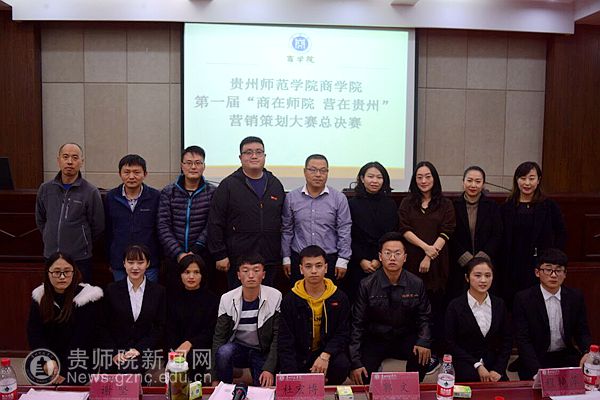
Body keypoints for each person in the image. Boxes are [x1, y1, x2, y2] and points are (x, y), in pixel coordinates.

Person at [349, 232, 431, 384]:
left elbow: (424, 317)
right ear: (380, 257)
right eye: (388, 253)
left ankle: (410, 389)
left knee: (422, 355)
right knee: (363, 374)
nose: (392, 258)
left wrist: (423, 341)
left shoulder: (416, 283)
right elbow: (357, 323)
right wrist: (355, 361)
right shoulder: (366, 284)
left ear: (405, 257)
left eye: (397, 253)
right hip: (376, 338)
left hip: (404, 336)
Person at [397, 161, 455, 372]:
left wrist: (430, 256)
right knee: (414, 308)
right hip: (412, 260)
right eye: (419, 177)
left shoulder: (445, 203)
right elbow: (404, 229)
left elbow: (447, 230)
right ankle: (419, 352)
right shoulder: (407, 202)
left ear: (434, 178)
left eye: (428, 176)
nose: (423, 181)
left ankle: (435, 352)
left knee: (435, 309)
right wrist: (425, 249)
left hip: (438, 263)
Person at [208, 136, 285, 289]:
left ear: (264, 156)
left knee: (268, 300)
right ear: (240, 157)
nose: (254, 156)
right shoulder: (228, 185)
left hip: (269, 259)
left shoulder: (275, 184)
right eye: (248, 152)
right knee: (239, 300)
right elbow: (215, 221)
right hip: (239, 260)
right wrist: (220, 254)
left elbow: (283, 221)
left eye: (258, 152)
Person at [513, 248, 592, 380]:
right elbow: (523, 339)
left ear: (565, 273)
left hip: (565, 355)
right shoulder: (523, 299)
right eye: (548, 269)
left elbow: (582, 331)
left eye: (558, 270)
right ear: (537, 272)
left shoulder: (575, 297)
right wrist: (536, 371)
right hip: (535, 357)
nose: (553, 275)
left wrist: (587, 352)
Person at [278, 245, 351, 385]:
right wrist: (291, 376)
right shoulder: (290, 300)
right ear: (301, 269)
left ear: (326, 268)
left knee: (341, 365)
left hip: (326, 353)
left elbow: (343, 333)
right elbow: (285, 340)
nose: (313, 271)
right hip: (300, 354)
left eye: (318, 266)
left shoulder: (339, 297)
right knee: (289, 371)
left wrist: (325, 356)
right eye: (308, 266)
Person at [27, 252, 103, 385]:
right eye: (56, 272)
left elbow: (83, 339)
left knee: (69, 383)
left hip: (78, 357)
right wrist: (47, 359)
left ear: (74, 272)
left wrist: (63, 370)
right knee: (37, 378)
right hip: (49, 356)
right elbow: (34, 334)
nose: (62, 277)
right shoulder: (40, 296)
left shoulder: (87, 298)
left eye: (67, 272)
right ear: (48, 273)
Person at [35, 143, 104, 283]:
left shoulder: (90, 191)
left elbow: (98, 226)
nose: (70, 162)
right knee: (53, 294)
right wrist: (50, 235)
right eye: (65, 157)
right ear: (58, 160)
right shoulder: (45, 189)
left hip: (79, 258)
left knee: (81, 294)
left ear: (81, 162)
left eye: (75, 157)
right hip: (51, 256)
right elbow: (41, 220)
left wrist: (82, 242)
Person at [500, 161, 566, 305]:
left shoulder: (549, 206)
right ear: (516, 180)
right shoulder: (507, 207)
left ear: (539, 180)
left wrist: (553, 260)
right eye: (523, 178)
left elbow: (561, 234)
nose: (527, 183)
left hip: (540, 263)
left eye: (531, 178)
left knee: (536, 303)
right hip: (512, 264)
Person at [211, 255, 281, 387]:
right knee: (224, 352)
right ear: (238, 275)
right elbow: (219, 338)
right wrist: (215, 377)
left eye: (256, 270)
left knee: (262, 390)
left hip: (262, 351)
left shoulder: (275, 296)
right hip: (238, 350)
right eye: (245, 270)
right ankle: (225, 388)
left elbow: (277, 337)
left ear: (263, 274)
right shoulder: (227, 299)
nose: (251, 275)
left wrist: (269, 369)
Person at [281, 154, 352, 284]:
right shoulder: (291, 198)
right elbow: (287, 230)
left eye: (323, 170)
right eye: (313, 170)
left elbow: (344, 230)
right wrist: (286, 257)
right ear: (304, 172)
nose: (318, 174)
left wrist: (343, 259)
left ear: (327, 173)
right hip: (300, 259)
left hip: (329, 259)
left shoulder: (339, 198)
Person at [99, 244, 166, 375]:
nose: (135, 267)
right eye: (130, 262)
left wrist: (139, 349)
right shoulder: (111, 290)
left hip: (144, 351)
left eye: (140, 262)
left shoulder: (158, 291)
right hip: (116, 350)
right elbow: (102, 325)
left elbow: (159, 326)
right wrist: (114, 353)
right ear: (124, 263)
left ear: (148, 264)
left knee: (131, 370)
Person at [445, 257, 511, 383]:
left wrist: (499, 369)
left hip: (494, 366)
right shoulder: (455, 306)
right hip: (465, 363)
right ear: (467, 278)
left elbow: (507, 340)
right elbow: (450, 343)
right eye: (477, 275)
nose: (483, 280)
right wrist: (477, 365)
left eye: (488, 275)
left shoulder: (499, 304)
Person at [158, 145, 215, 291]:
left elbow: (212, 225)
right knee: (173, 298)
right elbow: (163, 226)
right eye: (189, 163)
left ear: (204, 166)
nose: (193, 167)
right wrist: (179, 253)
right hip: (173, 258)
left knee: (201, 298)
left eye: (198, 163)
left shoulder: (212, 192)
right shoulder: (168, 192)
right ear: (182, 166)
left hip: (202, 257)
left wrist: (194, 251)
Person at [345, 162, 398, 303]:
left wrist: (378, 259)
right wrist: (361, 260)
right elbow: (349, 235)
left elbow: (391, 234)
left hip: (384, 261)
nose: (375, 181)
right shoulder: (351, 204)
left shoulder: (390, 204)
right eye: (370, 176)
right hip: (357, 262)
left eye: (379, 177)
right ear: (362, 179)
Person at [105, 154, 161, 282]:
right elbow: (107, 231)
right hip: (120, 262)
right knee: (122, 294)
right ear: (120, 174)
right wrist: (110, 259)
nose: (131, 176)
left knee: (149, 294)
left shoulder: (155, 197)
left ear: (145, 174)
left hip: (149, 263)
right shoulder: (111, 197)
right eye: (127, 172)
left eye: (136, 172)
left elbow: (160, 229)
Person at [449, 166, 502, 298]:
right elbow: (450, 234)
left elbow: (497, 234)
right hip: (460, 264)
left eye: (478, 181)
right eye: (469, 180)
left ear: (483, 184)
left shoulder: (493, 206)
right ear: (463, 182)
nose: (473, 185)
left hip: (486, 264)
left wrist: (481, 258)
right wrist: (466, 258)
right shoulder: (453, 206)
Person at [167, 254, 218, 382]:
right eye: (187, 272)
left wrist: (190, 343)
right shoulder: (171, 299)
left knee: (193, 358)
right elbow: (169, 329)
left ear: (202, 275)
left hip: (202, 348)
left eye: (196, 272)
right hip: (176, 349)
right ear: (180, 274)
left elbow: (211, 331)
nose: (191, 276)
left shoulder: (212, 300)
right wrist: (175, 350)